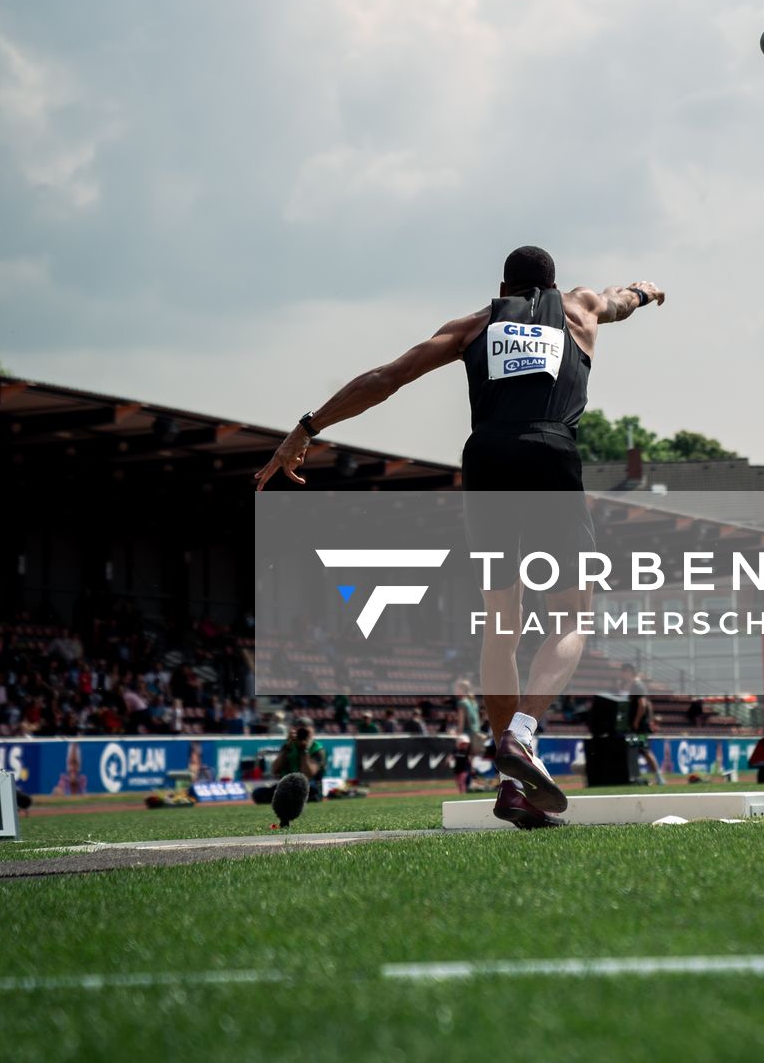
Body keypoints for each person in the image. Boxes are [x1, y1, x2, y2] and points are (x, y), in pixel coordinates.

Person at [255, 243, 665, 831]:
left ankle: (511, 787)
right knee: (573, 617)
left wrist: (306, 428)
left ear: (503, 288)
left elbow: (386, 377)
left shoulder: (474, 327)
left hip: (488, 458)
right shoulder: (581, 308)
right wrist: (648, 292)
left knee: (502, 624)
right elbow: (622, 301)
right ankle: (521, 738)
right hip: (550, 450)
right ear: (553, 287)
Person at [622, 662, 667, 786]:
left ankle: (658, 777)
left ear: (629, 672)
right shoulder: (635, 686)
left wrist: (636, 721)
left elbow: (642, 704)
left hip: (639, 726)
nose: (622, 675)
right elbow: (648, 704)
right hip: (639, 725)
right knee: (639, 750)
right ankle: (638, 777)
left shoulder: (637, 685)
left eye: (624, 672)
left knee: (644, 749)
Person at [273, 721, 328, 800]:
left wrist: (304, 749)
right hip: (288, 784)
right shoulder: (288, 746)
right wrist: (287, 746)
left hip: (309, 785)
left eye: (305, 732)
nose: (302, 734)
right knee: (259, 793)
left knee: (311, 792)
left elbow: (308, 774)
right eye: (300, 732)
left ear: (312, 733)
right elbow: (275, 770)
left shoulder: (317, 749)